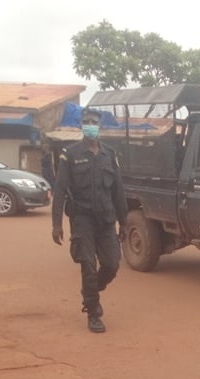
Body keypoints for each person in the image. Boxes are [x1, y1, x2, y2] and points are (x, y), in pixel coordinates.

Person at [51, 108, 128, 333]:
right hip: (82, 219)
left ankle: (91, 290)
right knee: (88, 266)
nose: (89, 124)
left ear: (100, 125)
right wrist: (56, 224)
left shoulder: (110, 155)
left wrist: (124, 222)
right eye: (86, 121)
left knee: (112, 264)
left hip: (106, 220)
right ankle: (93, 312)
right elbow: (60, 189)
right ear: (81, 125)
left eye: (93, 121)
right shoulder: (70, 154)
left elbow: (119, 192)